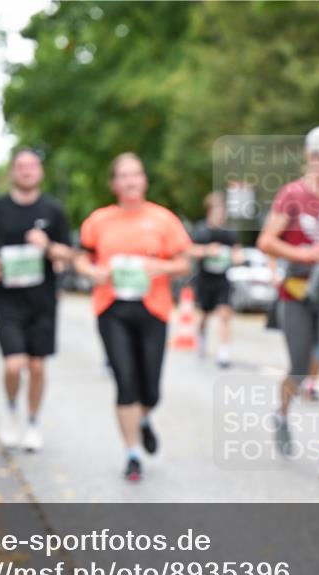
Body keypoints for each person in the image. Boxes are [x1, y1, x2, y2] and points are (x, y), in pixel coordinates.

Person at [74, 153, 192, 482]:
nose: (130, 181)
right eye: (123, 176)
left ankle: (143, 418)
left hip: (153, 308)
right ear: (113, 183)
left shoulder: (163, 219)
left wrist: (162, 267)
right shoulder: (99, 220)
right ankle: (132, 454)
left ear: (144, 180)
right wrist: (92, 272)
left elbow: (184, 263)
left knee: (151, 390)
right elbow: (81, 258)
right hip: (112, 309)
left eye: (135, 174)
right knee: (125, 382)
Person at [257, 125, 319, 478]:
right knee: (299, 369)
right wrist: (303, 254)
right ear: (311, 157)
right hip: (297, 293)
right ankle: (281, 414)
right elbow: (266, 241)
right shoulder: (291, 195)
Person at [0, 148, 74, 452]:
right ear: (12, 172)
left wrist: (47, 246)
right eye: (21, 166)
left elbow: (68, 253)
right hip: (6, 300)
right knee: (14, 365)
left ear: (40, 172)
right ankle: (10, 411)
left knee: (37, 367)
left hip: (42, 301)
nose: (27, 171)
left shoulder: (53, 210)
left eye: (32, 166)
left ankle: (32, 422)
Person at [189, 191, 241, 367]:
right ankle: (202, 338)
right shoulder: (201, 230)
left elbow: (237, 252)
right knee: (204, 314)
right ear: (209, 210)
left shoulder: (229, 233)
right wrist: (207, 251)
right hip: (205, 279)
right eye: (217, 210)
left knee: (225, 313)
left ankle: (224, 351)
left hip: (222, 279)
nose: (220, 213)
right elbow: (190, 250)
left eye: (222, 210)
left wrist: (237, 257)